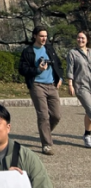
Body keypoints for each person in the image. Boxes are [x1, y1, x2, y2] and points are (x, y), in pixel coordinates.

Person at [19, 26, 64, 155]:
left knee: (56, 115)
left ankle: (46, 133)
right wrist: (38, 70)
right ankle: (47, 144)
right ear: (35, 36)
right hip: (37, 85)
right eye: (41, 36)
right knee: (43, 115)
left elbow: (58, 64)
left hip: (52, 85)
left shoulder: (49, 49)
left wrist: (60, 77)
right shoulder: (28, 51)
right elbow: (22, 69)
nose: (44, 38)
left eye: (45, 36)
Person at [66, 30, 91, 147]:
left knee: (88, 111)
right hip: (81, 86)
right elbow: (70, 70)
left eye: (82, 38)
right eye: (78, 38)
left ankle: (87, 135)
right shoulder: (72, 53)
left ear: (87, 40)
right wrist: (70, 84)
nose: (80, 40)